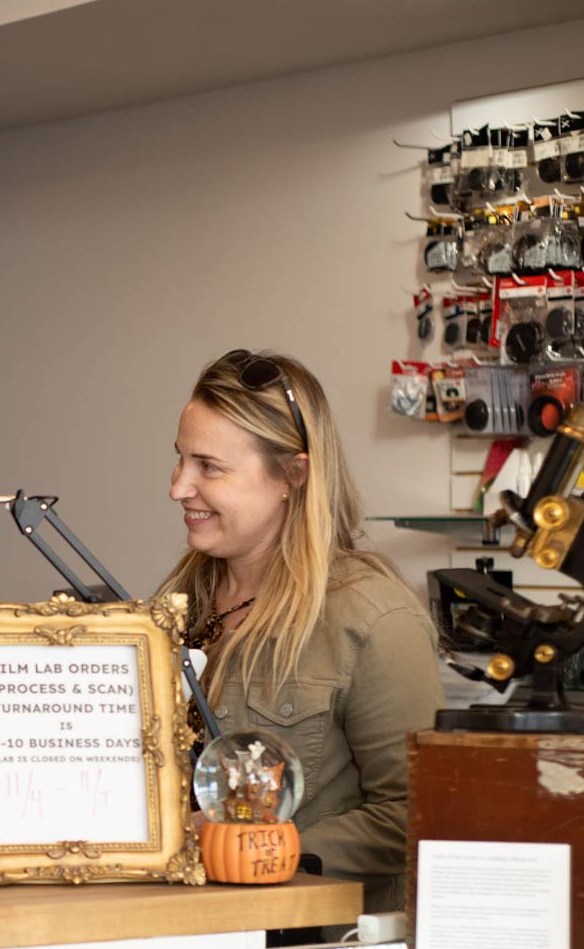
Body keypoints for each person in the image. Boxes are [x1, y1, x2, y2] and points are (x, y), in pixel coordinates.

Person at [165, 350, 442, 911]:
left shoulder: (373, 618)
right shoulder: (175, 603)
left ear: (292, 475)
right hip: (186, 934)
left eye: (208, 467)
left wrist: (255, 849)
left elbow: (418, 814)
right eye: (179, 460)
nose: (178, 488)